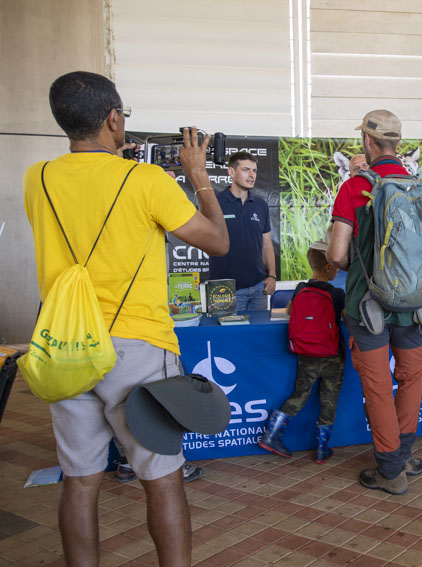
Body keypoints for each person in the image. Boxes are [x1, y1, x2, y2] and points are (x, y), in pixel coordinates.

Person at [23, 71, 228, 566]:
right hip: (136, 346)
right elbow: (217, 242)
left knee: (80, 481)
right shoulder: (147, 180)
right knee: (160, 479)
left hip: (66, 347)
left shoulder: (38, 177)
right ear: (113, 118)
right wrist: (199, 178)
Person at [327, 109, 422, 495]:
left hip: (367, 305)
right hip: (416, 304)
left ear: (368, 142)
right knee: (411, 380)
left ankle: (391, 471)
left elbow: (337, 256)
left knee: (378, 387)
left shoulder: (355, 189)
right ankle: (404, 454)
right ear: (398, 143)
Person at [259, 244, 346, 464]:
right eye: (335, 266)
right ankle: (322, 448)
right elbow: (346, 316)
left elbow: (290, 310)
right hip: (332, 355)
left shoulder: (300, 288)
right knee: (329, 399)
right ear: (328, 268)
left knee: (299, 395)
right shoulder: (336, 294)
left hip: (306, 353)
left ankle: (271, 434)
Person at [208, 151, 276, 311]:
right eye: (246, 170)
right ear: (231, 172)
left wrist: (272, 275)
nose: (252, 175)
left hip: (259, 289)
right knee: (225, 336)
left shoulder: (260, 205)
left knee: (256, 336)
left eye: (254, 171)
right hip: (224, 290)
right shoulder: (215, 203)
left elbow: (267, 244)